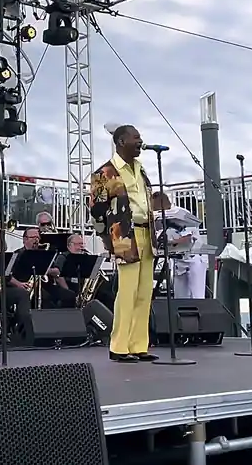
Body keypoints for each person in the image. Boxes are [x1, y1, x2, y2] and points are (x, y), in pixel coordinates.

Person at [89, 125, 158, 363]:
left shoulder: (141, 170)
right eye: (136, 138)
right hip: (124, 234)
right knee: (127, 291)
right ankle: (119, 346)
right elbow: (96, 210)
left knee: (144, 292)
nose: (140, 141)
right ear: (121, 141)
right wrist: (106, 238)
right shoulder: (105, 172)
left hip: (147, 233)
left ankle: (139, 345)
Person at [151, 191, 205, 299]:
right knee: (180, 298)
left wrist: (170, 243)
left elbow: (188, 238)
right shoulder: (159, 217)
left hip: (193, 260)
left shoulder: (181, 214)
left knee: (197, 297)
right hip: (178, 262)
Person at [40, 234, 79, 308]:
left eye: (82, 244)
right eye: (79, 244)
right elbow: (57, 274)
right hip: (67, 286)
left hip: (77, 287)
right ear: (70, 245)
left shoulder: (84, 257)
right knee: (68, 295)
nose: (82, 246)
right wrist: (67, 289)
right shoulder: (63, 257)